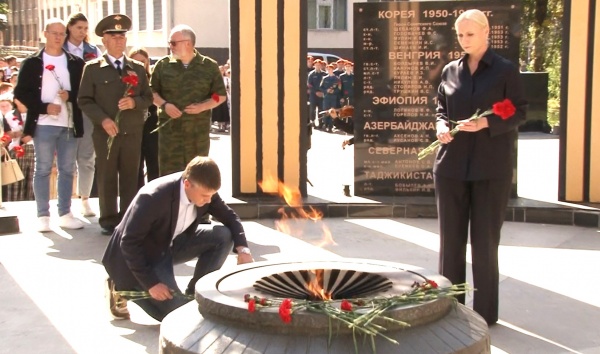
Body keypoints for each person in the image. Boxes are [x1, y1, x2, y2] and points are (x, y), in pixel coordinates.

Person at [433, 9, 527, 325]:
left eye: (470, 34)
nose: (464, 40)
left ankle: (484, 314)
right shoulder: (450, 70)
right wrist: (439, 127)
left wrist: (487, 122)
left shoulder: (505, 71)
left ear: (486, 32)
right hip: (451, 167)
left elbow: (519, 112)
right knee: (451, 242)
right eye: (460, 35)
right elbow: (440, 109)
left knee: (485, 242)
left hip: (490, 169)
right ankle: (450, 308)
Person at [102, 156, 254, 321]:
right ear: (187, 184)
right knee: (178, 315)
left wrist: (243, 249)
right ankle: (118, 285)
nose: (209, 201)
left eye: (211, 195)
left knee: (223, 235)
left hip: (169, 243)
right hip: (142, 255)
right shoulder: (153, 197)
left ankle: (196, 292)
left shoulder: (202, 188)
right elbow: (129, 243)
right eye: (204, 196)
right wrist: (151, 283)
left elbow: (230, 218)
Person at [78, 14, 153, 235]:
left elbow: (148, 97)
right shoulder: (92, 68)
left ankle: (129, 218)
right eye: (114, 36)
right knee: (107, 175)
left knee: (131, 176)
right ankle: (109, 220)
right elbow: (84, 100)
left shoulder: (137, 68)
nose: (119, 40)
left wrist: (134, 102)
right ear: (105, 41)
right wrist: (103, 119)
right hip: (106, 133)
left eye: (122, 36)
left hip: (132, 131)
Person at [14, 18, 86, 232]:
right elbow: (21, 93)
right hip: (44, 124)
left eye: (61, 33)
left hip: (69, 123)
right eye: (53, 33)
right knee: (43, 168)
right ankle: (43, 215)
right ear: (45, 34)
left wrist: (70, 95)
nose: (57, 37)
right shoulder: (33, 62)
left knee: (67, 169)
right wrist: (44, 107)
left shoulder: (74, 62)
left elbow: (84, 93)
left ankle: (65, 212)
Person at [150, 24, 227, 176]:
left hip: (197, 134)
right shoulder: (163, 65)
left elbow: (220, 95)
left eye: (173, 43)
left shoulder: (208, 66)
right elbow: (151, 92)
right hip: (171, 134)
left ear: (188, 43)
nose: (170, 46)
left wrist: (203, 106)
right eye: (169, 42)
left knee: (198, 176)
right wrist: (165, 105)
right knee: (169, 177)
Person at [64, 12, 104, 217]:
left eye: (85, 28)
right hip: (64, 108)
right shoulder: (58, 49)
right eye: (79, 27)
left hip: (87, 108)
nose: (82, 32)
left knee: (87, 156)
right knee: (66, 157)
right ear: (69, 27)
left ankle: (85, 199)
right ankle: (65, 203)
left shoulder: (92, 51)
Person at [128, 47, 159, 189]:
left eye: (143, 61)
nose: (140, 64)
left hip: (153, 126)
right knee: (135, 166)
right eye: (136, 61)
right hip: (133, 126)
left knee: (154, 164)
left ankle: (155, 197)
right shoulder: (126, 80)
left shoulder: (153, 79)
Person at [319, 63, 342, 132]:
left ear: (333, 70)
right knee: (326, 111)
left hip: (333, 98)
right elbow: (320, 87)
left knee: (332, 111)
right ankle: (325, 124)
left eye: (330, 69)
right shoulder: (324, 78)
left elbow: (339, 88)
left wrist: (334, 91)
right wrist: (326, 90)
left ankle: (330, 126)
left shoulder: (337, 79)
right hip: (326, 97)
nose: (329, 70)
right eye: (328, 69)